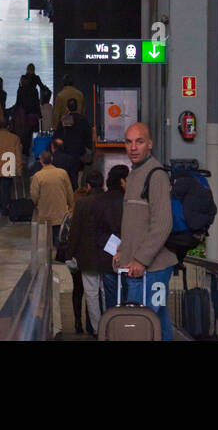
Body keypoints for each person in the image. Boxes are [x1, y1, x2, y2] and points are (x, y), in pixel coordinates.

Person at [114, 122, 176, 340]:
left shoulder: (156, 175)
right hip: (138, 267)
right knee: (158, 324)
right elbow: (135, 223)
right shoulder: (134, 174)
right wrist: (123, 250)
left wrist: (140, 259)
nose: (133, 147)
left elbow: (163, 223)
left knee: (140, 327)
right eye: (128, 142)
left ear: (150, 144)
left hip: (150, 269)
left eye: (139, 142)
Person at [62, 169, 116, 335]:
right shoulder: (110, 201)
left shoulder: (82, 204)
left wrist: (69, 254)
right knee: (107, 292)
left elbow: (75, 231)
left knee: (91, 294)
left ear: (87, 185)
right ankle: (110, 326)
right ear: (103, 183)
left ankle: (98, 329)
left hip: (88, 257)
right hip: (108, 254)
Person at [97, 165, 129, 312]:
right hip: (128, 256)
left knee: (111, 297)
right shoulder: (129, 201)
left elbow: (95, 229)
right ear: (122, 181)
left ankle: (113, 323)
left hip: (107, 255)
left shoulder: (101, 200)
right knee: (130, 295)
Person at [29, 149, 74, 248]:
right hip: (61, 212)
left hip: (45, 212)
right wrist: (71, 206)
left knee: (46, 241)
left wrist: (37, 205)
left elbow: (34, 194)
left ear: (41, 161)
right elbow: (69, 192)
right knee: (60, 237)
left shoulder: (38, 176)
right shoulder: (62, 173)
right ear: (52, 159)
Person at [53, 97, 92, 168]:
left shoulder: (65, 119)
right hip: (80, 151)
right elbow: (88, 136)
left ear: (67, 108)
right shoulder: (83, 119)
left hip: (67, 151)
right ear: (77, 107)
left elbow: (58, 135)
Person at [9, 77, 42, 159]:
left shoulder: (20, 90)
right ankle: (27, 151)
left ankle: (22, 151)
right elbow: (37, 102)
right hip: (32, 115)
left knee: (22, 133)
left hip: (23, 115)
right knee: (29, 133)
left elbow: (18, 102)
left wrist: (12, 111)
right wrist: (39, 114)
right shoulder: (34, 90)